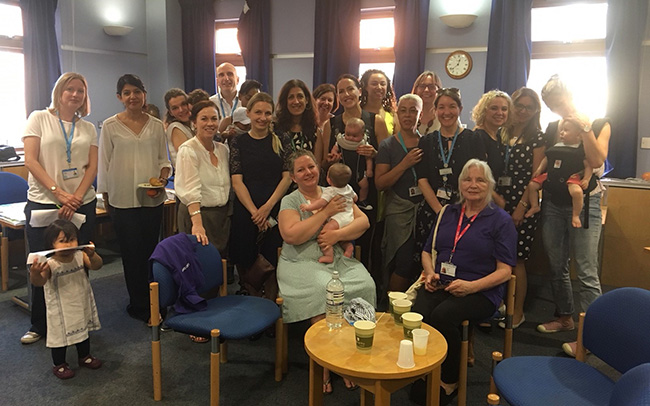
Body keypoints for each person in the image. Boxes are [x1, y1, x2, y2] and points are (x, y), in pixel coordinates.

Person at [412, 159, 517, 405]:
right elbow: (427, 251)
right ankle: (428, 367)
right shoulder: (448, 213)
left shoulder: (500, 220)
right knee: (418, 314)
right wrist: (430, 273)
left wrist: (472, 287)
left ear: (490, 185)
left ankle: (450, 378)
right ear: (460, 184)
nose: (473, 185)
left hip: (482, 290)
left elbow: (505, 271)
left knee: (442, 316)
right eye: (468, 179)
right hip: (443, 282)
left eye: (480, 180)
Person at [277, 149, 376, 393]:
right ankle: (326, 365)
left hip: (337, 258)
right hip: (300, 262)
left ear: (319, 169)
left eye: (311, 167)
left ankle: (350, 357)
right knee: (326, 291)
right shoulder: (290, 201)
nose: (308, 172)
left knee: (366, 285)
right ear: (293, 177)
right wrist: (326, 213)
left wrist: (337, 235)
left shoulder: (335, 191)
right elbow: (292, 235)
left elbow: (363, 222)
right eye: (301, 170)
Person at [536, 76, 611, 358]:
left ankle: (592, 338)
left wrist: (585, 128)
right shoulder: (553, 128)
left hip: (585, 203)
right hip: (553, 203)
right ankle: (565, 317)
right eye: (553, 106)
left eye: (561, 102)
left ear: (571, 95)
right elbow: (546, 162)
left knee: (587, 270)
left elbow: (596, 160)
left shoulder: (600, 123)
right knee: (557, 265)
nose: (559, 110)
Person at [21, 72, 98, 345]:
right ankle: (39, 325)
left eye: (81, 90)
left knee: (78, 264)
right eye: (70, 89)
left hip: (81, 203)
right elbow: (30, 160)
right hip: (44, 202)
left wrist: (75, 197)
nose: (75, 94)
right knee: (42, 264)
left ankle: (80, 322)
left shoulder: (88, 127)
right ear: (59, 92)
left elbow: (92, 167)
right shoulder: (39, 118)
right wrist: (59, 193)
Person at [97, 74, 172, 323]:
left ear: (144, 95)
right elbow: (104, 164)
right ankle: (140, 306)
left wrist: (162, 179)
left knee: (152, 253)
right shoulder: (110, 126)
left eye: (137, 91)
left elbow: (163, 160)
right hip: (122, 201)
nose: (132, 97)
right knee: (132, 255)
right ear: (120, 97)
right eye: (127, 93)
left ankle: (156, 300)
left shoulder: (156, 125)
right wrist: (106, 196)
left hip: (151, 199)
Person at [316, 74, 389, 268]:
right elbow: (323, 163)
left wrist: (374, 154)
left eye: (350, 89)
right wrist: (330, 161)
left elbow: (388, 160)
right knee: (336, 240)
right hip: (337, 195)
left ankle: (362, 281)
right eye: (341, 91)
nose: (346, 94)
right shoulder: (331, 125)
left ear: (359, 91)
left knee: (365, 243)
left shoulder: (375, 121)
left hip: (365, 194)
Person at [229, 92, 292, 298]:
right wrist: (255, 212)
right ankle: (250, 302)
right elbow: (237, 182)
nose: (262, 118)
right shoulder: (238, 141)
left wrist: (266, 208)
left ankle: (272, 305)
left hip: (275, 207)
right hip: (246, 210)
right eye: (258, 112)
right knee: (246, 259)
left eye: (267, 113)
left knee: (273, 260)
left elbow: (287, 177)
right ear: (248, 113)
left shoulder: (282, 138)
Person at [493, 87, 547, 329]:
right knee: (495, 255)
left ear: (535, 111)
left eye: (529, 107)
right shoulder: (501, 132)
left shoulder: (537, 137)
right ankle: (498, 304)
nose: (523, 111)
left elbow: (536, 176)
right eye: (520, 106)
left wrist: (522, 206)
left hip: (522, 204)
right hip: (498, 201)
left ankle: (517, 311)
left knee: (516, 259)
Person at [29, 219, 103, 379]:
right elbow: (39, 282)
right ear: (51, 243)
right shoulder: (50, 264)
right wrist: (35, 273)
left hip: (80, 301)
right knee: (59, 336)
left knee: (83, 327)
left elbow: (97, 265)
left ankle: (84, 356)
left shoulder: (80, 256)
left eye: (72, 239)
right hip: (60, 307)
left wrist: (93, 255)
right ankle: (59, 364)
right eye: (62, 241)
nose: (68, 245)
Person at [415, 88, 484, 258]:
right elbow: (422, 179)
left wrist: (464, 211)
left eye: (452, 106)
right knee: (430, 259)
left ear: (460, 109)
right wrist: (440, 212)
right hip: (432, 211)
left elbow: (480, 178)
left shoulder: (474, 139)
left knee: (461, 257)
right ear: (435, 111)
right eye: (441, 107)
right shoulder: (426, 141)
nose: (447, 112)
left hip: (466, 211)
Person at [375, 94, 424, 296]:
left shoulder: (427, 143)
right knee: (402, 261)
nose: (408, 115)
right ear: (397, 114)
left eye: (413, 111)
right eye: (403, 110)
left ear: (420, 115)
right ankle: (392, 308)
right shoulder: (387, 145)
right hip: (398, 210)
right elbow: (380, 184)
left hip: (424, 211)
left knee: (421, 261)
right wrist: (404, 164)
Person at [175, 100, 231, 251]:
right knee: (200, 262)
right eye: (204, 119)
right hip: (197, 216)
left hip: (220, 218)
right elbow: (191, 190)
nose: (210, 123)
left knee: (221, 262)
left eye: (214, 119)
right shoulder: (188, 150)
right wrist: (197, 225)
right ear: (194, 122)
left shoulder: (223, 150)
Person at [525, 119, 592, 228]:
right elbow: (547, 158)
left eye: (566, 130)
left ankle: (576, 215)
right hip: (552, 174)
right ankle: (534, 206)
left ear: (578, 135)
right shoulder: (557, 146)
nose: (561, 133)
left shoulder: (581, 149)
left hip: (571, 177)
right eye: (561, 130)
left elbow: (588, 166)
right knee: (532, 185)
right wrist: (539, 170)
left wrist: (586, 179)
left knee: (576, 192)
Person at [299, 163, 357, 262]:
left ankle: (329, 255)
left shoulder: (330, 190)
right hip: (349, 217)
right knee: (342, 239)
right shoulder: (348, 188)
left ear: (329, 180)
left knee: (324, 234)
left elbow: (321, 202)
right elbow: (355, 198)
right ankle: (348, 247)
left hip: (338, 219)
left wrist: (309, 207)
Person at [471, 90, 513, 208]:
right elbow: (478, 176)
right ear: (484, 111)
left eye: (504, 109)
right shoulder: (478, 137)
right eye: (494, 108)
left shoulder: (499, 136)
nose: (500, 113)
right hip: (483, 201)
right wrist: (497, 199)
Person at [330, 117, 373, 208]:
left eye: (354, 136)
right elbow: (334, 149)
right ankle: (341, 201)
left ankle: (362, 200)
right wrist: (334, 154)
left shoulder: (364, 145)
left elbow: (368, 158)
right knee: (340, 186)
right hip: (343, 172)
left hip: (358, 171)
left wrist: (369, 170)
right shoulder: (341, 142)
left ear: (362, 135)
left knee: (364, 185)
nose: (350, 138)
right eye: (348, 134)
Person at [274, 79, 319, 153]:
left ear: (307, 100)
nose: (296, 101)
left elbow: (317, 160)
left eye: (300, 96)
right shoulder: (275, 129)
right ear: (285, 101)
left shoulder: (315, 130)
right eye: (291, 97)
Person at [360, 69, 398, 135]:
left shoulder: (392, 115)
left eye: (383, 84)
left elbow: (399, 140)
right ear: (365, 87)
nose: (379, 87)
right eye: (374, 84)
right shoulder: (358, 112)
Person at [163, 88, 193, 168]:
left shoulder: (189, 126)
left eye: (183, 104)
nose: (181, 110)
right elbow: (187, 158)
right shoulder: (175, 127)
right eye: (175, 108)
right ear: (170, 112)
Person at [411, 71, 443, 135]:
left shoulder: (445, 115)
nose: (426, 90)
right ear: (416, 90)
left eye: (431, 87)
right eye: (422, 86)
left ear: (438, 91)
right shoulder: (407, 114)